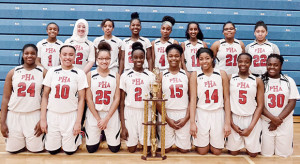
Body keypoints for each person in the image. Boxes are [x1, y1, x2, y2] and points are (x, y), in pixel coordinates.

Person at [40, 45, 88, 155]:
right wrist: (43, 119)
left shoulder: (79, 73)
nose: (68, 57)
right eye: (64, 54)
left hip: (70, 115)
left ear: (75, 56)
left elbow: (81, 100)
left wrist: (78, 122)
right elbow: (45, 96)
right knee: (52, 151)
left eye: (71, 55)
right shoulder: (52, 71)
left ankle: (77, 136)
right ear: (60, 56)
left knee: (69, 151)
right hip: (53, 114)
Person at [1, 44, 46, 153]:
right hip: (14, 115)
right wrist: (2, 122)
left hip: (34, 114)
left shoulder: (43, 72)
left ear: (36, 55)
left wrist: (43, 119)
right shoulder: (13, 72)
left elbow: (46, 98)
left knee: (36, 150)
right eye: (26, 53)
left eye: (32, 53)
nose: (29, 56)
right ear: (23, 55)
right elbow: (6, 98)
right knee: (13, 151)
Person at [189, 48, 231, 155]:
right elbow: (193, 100)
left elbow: (226, 99)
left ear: (212, 59)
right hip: (202, 112)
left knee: (217, 152)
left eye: (207, 58)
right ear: (198, 60)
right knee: (202, 151)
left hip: (218, 112)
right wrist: (192, 122)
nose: (204, 61)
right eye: (201, 59)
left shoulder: (221, 74)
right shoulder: (195, 75)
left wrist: (227, 122)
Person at [261, 54, 300, 157]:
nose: (272, 67)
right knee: (266, 154)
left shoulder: (289, 81)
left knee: (283, 154)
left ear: (281, 66)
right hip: (266, 122)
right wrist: (273, 119)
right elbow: (259, 104)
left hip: (284, 122)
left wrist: (278, 120)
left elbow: (292, 102)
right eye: (269, 64)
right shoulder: (261, 80)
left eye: (275, 65)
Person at [226, 53, 264, 157]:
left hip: (250, 118)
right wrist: (232, 124)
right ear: (237, 63)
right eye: (241, 61)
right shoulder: (230, 78)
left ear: (250, 63)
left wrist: (251, 127)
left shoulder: (257, 80)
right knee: (233, 153)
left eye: (246, 62)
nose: (243, 64)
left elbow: (260, 105)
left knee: (253, 154)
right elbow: (226, 101)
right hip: (235, 117)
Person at [85, 42, 121, 153]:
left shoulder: (116, 76)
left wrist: (106, 119)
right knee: (91, 149)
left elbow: (117, 98)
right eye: (101, 58)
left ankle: (105, 133)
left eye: (107, 59)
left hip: (111, 114)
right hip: (94, 113)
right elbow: (89, 99)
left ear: (110, 59)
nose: (104, 61)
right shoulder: (90, 75)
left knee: (114, 149)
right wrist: (99, 119)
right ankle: (100, 135)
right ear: (96, 59)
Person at [119, 42, 155, 153]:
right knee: (131, 149)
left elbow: (154, 98)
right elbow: (121, 101)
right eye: (135, 57)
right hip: (130, 111)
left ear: (144, 58)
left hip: (146, 111)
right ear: (131, 58)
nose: (138, 60)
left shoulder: (151, 75)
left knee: (147, 149)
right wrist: (123, 126)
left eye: (141, 57)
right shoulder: (125, 75)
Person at [157, 44, 190, 153]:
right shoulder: (161, 75)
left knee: (184, 150)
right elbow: (158, 100)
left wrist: (186, 118)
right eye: (170, 56)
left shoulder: (187, 75)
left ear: (181, 57)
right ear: (167, 57)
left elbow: (192, 98)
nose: (173, 58)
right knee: (165, 149)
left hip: (183, 113)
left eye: (176, 56)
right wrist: (167, 119)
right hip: (166, 113)